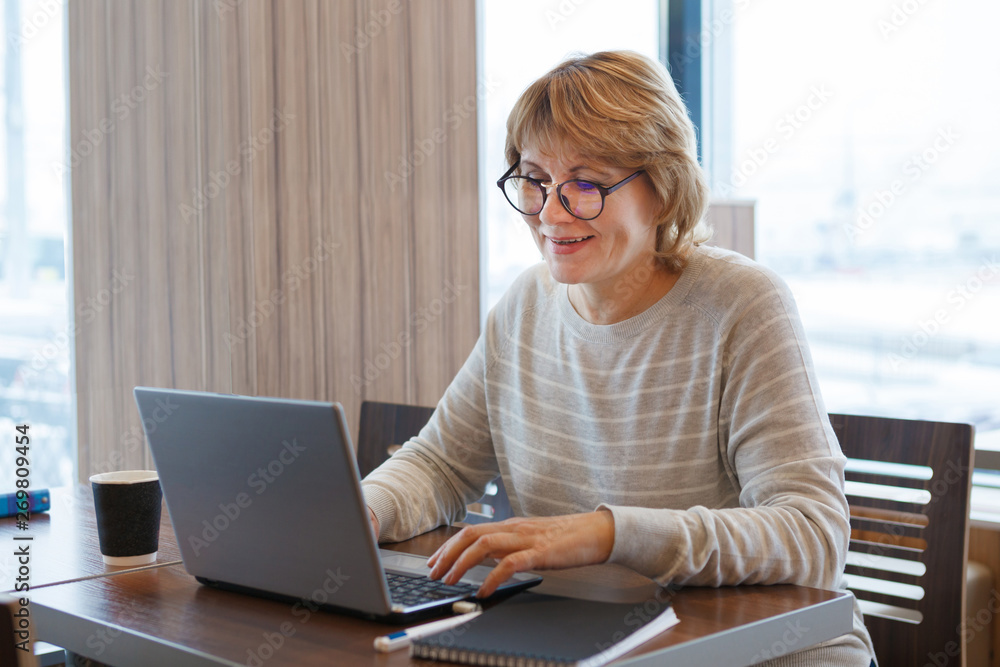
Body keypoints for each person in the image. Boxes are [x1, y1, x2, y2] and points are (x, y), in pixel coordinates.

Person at [361, 50, 875, 665]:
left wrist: (609, 534)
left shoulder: (741, 304)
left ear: (662, 189)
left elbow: (813, 534)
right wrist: (362, 511)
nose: (550, 213)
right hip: (589, 640)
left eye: (584, 184)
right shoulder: (526, 305)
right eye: (536, 180)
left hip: (762, 648)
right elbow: (441, 466)